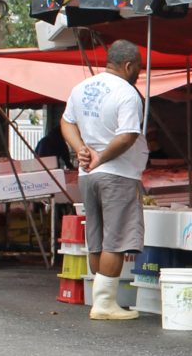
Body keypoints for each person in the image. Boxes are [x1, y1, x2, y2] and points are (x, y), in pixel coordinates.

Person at [60, 40, 147, 321]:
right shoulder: (127, 93)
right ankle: (105, 304)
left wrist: (81, 149)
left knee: (96, 238)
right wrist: (102, 157)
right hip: (117, 174)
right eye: (138, 69)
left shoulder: (81, 87)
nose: (138, 74)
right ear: (128, 65)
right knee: (116, 240)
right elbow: (127, 135)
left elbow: (66, 122)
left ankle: (98, 299)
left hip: (88, 176)